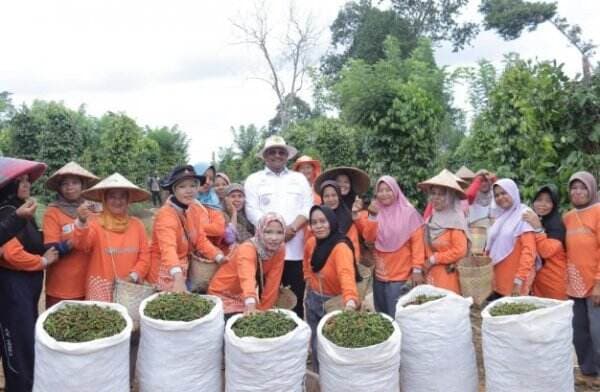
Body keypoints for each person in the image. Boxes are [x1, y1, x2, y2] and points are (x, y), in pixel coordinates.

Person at [0, 158, 59, 392]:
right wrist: (43, 261)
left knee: (27, 339)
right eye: (20, 181)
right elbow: (12, 254)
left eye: (27, 180)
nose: (27, 185)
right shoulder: (8, 211)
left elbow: (32, 241)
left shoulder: (21, 209)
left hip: (25, 289)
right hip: (13, 288)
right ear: (7, 186)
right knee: (18, 342)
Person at [244, 135, 313, 318]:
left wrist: (291, 229)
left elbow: (307, 207)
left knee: (294, 299)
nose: (277, 155)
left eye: (281, 152)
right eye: (272, 152)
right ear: (265, 156)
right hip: (265, 252)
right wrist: (273, 233)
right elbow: (251, 210)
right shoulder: (253, 180)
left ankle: (294, 339)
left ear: (287, 156)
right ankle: (268, 340)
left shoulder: (299, 179)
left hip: (295, 250)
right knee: (267, 296)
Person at [352, 175, 425, 317]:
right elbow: (369, 237)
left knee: (398, 314)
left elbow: (417, 243)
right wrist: (372, 217)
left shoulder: (409, 213)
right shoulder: (375, 211)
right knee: (382, 314)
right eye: (380, 190)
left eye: (388, 190)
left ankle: (401, 340)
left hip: (401, 274)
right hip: (380, 274)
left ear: (395, 191)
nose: (384, 194)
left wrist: (417, 269)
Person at [72, 173, 151, 302]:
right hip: (100, 288)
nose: (117, 201)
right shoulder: (94, 223)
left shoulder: (137, 225)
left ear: (128, 200)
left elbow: (145, 257)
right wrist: (81, 222)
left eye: (122, 197)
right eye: (112, 197)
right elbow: (81, 245)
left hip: (130, 288)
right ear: (104, 199)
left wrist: (132, 277)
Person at [148, 165, 227, 292]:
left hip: (183, 269)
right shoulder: (166, 215)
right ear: (173, 190)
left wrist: (219, 256)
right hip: (164, 271)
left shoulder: (194, 209)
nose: (189, 191)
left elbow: (200, 240)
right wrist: (178, 277)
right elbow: (168, 249)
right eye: (182, 186)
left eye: (193, 185)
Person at [304, 205, 358, 372]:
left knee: (332, 346)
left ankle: (334, 379)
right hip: (313, 299)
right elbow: (306, 263)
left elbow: (346, 275)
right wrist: (308, 279)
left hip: (333, 303)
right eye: (314, 222)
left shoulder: (340, 248)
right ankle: (319, 375)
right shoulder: (312, 243)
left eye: (323, 221)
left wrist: (350, 301)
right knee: (315, 341)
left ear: (332, 222)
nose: (318, 226)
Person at [43, 161, 99, 308]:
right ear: (59, 189)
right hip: (62, 285)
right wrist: (78, 233)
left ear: (83, 185)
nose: (70, 187)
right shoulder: (53, 212)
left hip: (90, 282)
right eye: (65, 184)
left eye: (75, 182)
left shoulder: (93, 211)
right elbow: (51, 249)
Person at [208, 212, 286, 315]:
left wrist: (265, 311)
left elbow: (273, 282)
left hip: (244, 295)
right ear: (259, 231)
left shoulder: (279, 249)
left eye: (279, 232)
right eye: (268, 232)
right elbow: (247, 277)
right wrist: (251, 305)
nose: (274, 238)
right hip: (223, 293)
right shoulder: (247, 249)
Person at [562, 171, 600, 379]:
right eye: (573, 187)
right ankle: (588, 372)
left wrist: (599, 283)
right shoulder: (567, 217)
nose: (577, 192)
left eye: (582, 187)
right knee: (580, 334)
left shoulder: (598, 211)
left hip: (595, 285)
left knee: (598, 332)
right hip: (574, 285)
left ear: (591, 189)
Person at [418, 170, 469, 294]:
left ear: (450, 197)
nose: (435, 198)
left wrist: (434, 259)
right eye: (433, 193)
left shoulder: (456, 221)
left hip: (448, 276)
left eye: (441, 194)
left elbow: (460, 250)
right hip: (429, 274)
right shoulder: (431, 218)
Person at [485, 179, 537, 298]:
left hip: (515, 282)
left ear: (513, 192)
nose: (500, 197)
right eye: (497, 195)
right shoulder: (500, 218)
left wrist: (519, 279)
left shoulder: (524, 215)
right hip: (497, 280)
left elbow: (529, 252)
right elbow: (492, 247)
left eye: (504, 193)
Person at [522, 184, 567, 300]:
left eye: (548, 201)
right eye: (539, 200)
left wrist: (538, 229)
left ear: (554, 205)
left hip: (555, 282)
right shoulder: (536, 219)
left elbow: (546, 251)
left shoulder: (556, 224)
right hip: (539, 283)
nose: (542, 204)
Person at [316, 180, 361, 261]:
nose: (331, 199)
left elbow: (354, 249)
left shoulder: (348, 220)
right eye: (326, 196)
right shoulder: (316, 220)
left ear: (339, 197)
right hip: (321, 266)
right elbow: (311, 247)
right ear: (322, 199)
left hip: (344, 264)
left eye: (334, 195)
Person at [193, 162, 227, 249]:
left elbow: (218, 228)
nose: (207, 182)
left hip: (208, 249)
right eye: (204, 177)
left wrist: (191, 225)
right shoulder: (182, 199)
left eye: (211, 179)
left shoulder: (213, 201)